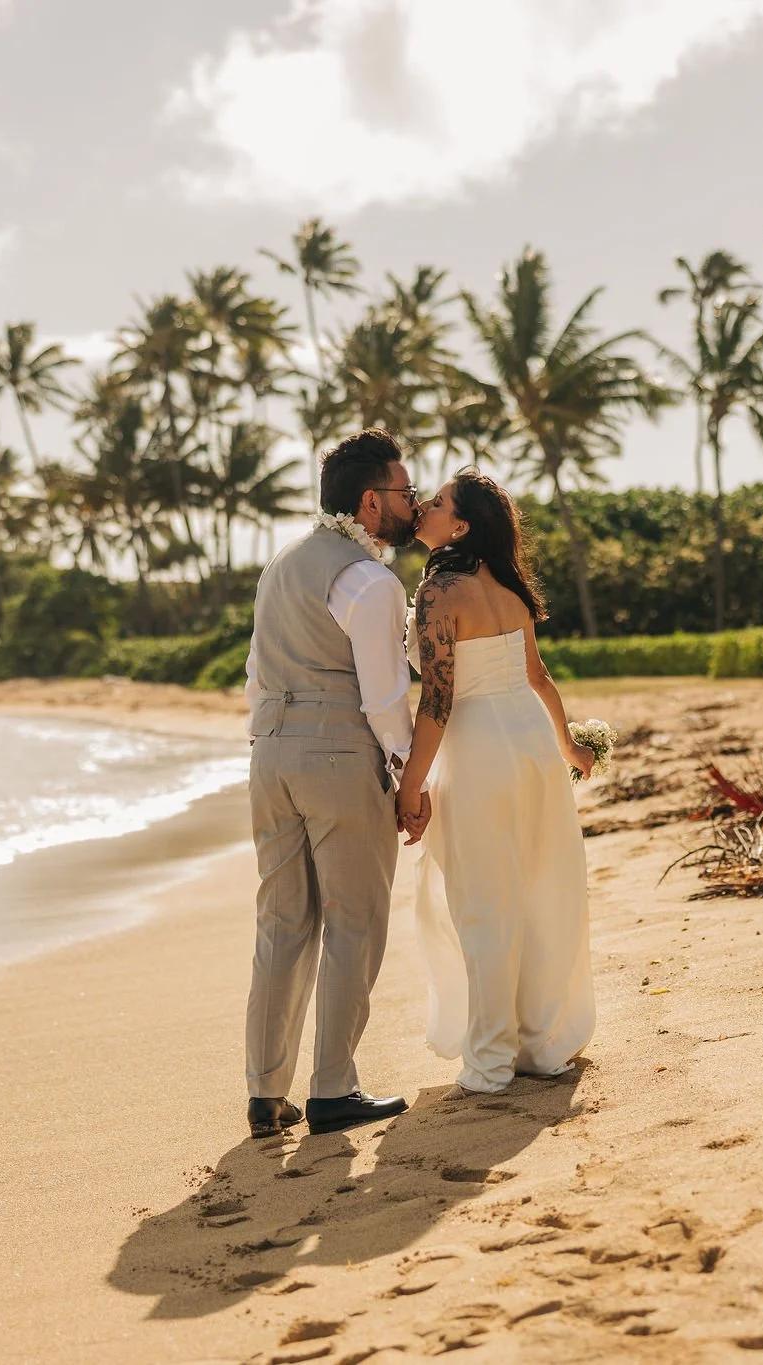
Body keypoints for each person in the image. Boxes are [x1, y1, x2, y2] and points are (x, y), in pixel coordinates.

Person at [240, 429, 421, 1140]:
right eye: (405, 493)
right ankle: (334, 1088)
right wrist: (410, 777)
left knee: (280, 923)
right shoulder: (371, 580)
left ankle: (264, 1091)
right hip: (339, 758)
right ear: (371, 503)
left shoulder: (280, 565)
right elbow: (383, 699)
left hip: (269, 754)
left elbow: (257, 673)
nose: (414, 503)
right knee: (354, 919)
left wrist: (271, 743)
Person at [397, 470, 595, 1095]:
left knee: (484, 901)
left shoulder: (439, 591)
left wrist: (411, 785)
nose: (424, 507)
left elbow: (438, 700)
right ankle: (541, 1042)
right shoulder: (508, 588)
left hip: (480, 750)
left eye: (437, 502)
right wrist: (569, 747)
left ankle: (489, 1060)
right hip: (532, 746)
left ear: (459, 525)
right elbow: (537, 675)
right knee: (539, 887)